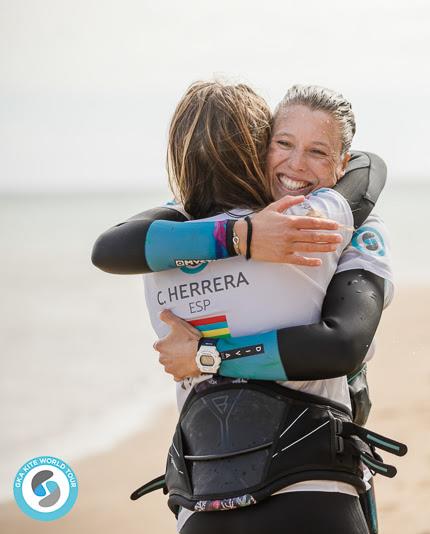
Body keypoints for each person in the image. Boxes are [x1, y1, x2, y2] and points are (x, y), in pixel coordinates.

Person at [92, 82, 402, 533]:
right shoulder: (321, 223)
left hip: (204, 503)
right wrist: (246, 236)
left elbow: (108, 248)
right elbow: (371, 169)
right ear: (258, 147)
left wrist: (207, 355)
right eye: (282, 143)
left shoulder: (161, 246)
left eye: (318, 151)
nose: (296, 164)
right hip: (314, 487)